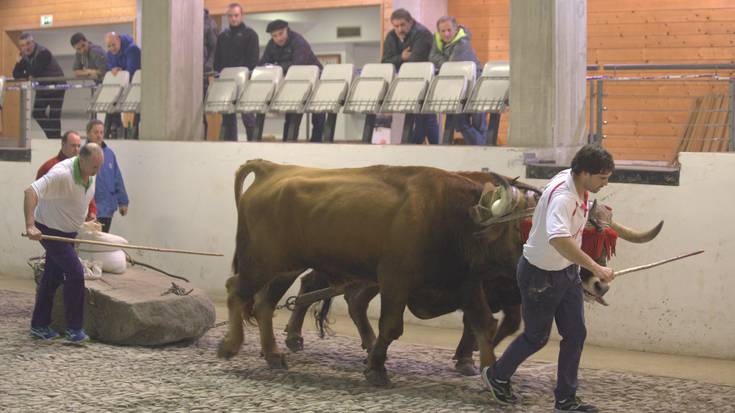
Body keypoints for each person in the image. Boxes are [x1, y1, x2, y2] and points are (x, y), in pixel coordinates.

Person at [481, 144, 616, 413]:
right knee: (536, 337)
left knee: (576, 333)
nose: (605, 183)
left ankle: (566, 399)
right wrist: (596, 268)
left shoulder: (576, 182)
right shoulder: (563, 197)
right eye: (602, 177)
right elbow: (558, 239)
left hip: (566, 272)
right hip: (539, 275)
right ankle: (496, 375)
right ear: (585, 173)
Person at [24, 142, 105, 343]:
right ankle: (74, 329)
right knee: (75, 272)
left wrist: (86, 220)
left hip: (69, 232)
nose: (97, 171)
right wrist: (30, 225)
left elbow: (81, 199)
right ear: (82, 160)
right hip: (50, 230)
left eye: (100, 166)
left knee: (53, 275)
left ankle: (39, 325)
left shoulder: (90, 172)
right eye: (95, 166)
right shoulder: (62, 173)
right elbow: (30, 192)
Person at [259, 19, 325, 142]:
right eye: (274, 36)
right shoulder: (271, 45)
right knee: (291, 116)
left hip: (316, 80)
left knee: (318, 116)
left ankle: (318, 143)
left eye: (281, 33)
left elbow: (297, 65)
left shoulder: (298, 41)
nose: (278, 38)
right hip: (294, 84)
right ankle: (288, 142)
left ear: (287, 30)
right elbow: (262, 65)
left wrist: (276, 66)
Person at [381, 8, 438, 145]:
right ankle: (415, 146)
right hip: (406, 82)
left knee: (426, 117)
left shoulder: (422, 34)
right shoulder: (391, 36)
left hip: (424, 81)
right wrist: (401, 56)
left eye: (402, 25)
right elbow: (384, 62)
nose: (399, 29)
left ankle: (434, 146)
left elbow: (415, 60)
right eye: (396, 26)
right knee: (419, 118)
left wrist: (398, 60)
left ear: (410, 22)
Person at [429, 16, 487, 145]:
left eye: (449, 30)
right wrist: (445, 61)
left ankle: (483, 148)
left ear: (456, 29)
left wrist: (442, 61)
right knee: (461, 123)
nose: (446, 34)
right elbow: (432, 56)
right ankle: (483, 148)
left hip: (475, 86)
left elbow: (452, 65)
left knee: (478, 124)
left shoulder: (463, 43)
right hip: (457, 87)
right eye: (442, 31)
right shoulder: (436, 39)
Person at [213, 2, 259, 141]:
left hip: (245, 81)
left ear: (242, 16)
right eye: (230, 16)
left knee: (248, 117)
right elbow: (217, 59)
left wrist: (246, 76)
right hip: (226, 81)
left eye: (236, 15)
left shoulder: (250, 34)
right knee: (228, 118)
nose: (233, 18)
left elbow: (253, 59)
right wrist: (219, 76)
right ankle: (229, 145)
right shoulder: (223, 36)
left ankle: (254, 144)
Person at [12, 33, 66, 139]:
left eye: (28, 44)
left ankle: (54, 138)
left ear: (33, 42)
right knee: (37, 113)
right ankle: (54, 137)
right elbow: (16, 74)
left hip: (57, 86)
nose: (26, 47)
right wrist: (19, 64)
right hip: (42, 88)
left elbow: (35, 71)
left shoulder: (43, 53)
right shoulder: (24, 56)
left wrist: (25, 70)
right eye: (22, 45)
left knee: (54, 115)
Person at [37, 130, 97, 222]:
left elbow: (87, 191)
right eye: (73, 145)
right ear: (63, 145)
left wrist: (92, 211)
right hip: (53, 222)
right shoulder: (49, 167)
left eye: (78, 146)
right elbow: (38, 194)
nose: (77, 149)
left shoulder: (84, 166)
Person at [85, 120, 129, 233]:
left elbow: (117, 178)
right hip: (88, 209)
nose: (99, 135)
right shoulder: (82, 153)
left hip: (107, 208)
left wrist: (123, 202)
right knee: (89, 243)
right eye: (96, 132)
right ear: (88, 134)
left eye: (101, 132)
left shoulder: (109, 154)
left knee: (102, 242)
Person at [104, 32, 141, 139]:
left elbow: (132, 70)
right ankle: (111, 131)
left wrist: (121, 71)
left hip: (136, 86)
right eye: (109, 46)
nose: (111, 48)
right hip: (121, 87)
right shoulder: (110, 54)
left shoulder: (132, 50)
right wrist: (114, 70)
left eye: (113, 45)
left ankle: (134, 135)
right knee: (111, 106)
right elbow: (111, 68)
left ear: (119, 40)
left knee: (137, 110)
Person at [203, 8, 218, 138]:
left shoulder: (209, 23)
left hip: (203, 73)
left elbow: (214, 47)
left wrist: (208, 67)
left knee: (203, 111)